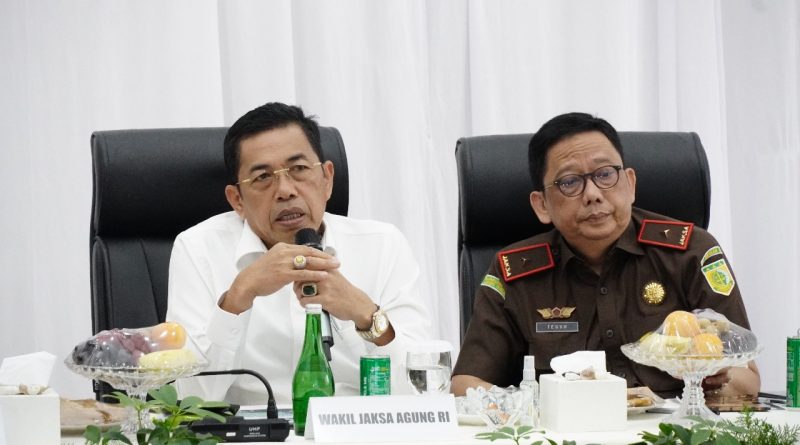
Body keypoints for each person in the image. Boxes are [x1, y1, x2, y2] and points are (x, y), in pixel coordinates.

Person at [451, 112, 759, 399]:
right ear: (541, 205)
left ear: (630, 183)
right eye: (570, 182)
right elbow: (466, 384)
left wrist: (716, 378)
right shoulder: (515, 273)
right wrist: (535, 407)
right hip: (565, 430)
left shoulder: (691, 251)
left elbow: (747, 381)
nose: (593, 194)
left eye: (605, 174)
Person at [167, 102, 432, 405]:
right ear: (237, 199)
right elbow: (188, 400)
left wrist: (365, 315)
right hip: (252, 429)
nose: (285, 191)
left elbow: (422, 393)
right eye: (263, 177)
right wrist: (237, 299)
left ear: (327, 179)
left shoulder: (382, 245)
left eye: (299, 170)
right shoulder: (199, 249)